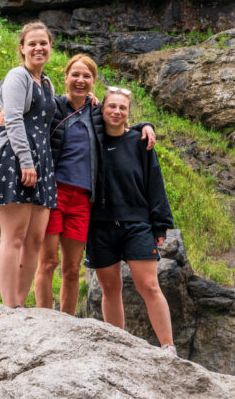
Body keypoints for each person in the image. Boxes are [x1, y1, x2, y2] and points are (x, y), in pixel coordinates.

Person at [28, 55, 155, 314]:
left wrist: (146, 125)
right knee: (49, 261)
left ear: (93, 82)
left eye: (86, 76)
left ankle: (66, 322)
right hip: (53, 194)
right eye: (75, 74)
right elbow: (25, 119)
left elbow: (121, 123)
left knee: (72, 269)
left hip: (83, 199)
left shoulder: (97, 113)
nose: (80, 80)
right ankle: (42, 320)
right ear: (65, 78)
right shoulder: (52, 107)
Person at [0, 22, 58, 308]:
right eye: (32, 43)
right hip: (17, 161)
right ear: (22, 48)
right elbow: (15, 119)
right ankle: (10, 306)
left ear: (50, 47)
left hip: (42, 165)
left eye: (43, 43)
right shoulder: (17, 76)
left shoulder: (46, 83)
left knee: (34, 240)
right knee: (14, 237)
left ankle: (21, 303)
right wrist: (26, 161)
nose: (38, 48)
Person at [87, 87, 176, 354]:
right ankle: (118, 348)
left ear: (128, 113)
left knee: (149, 285)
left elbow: (154, 184)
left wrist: (159, 224)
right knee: (109, 288)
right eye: (111, 106)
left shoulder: (141, 142)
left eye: (122, 108)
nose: (116, 111)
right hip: (99, 225)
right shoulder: (91, 140)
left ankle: (168, 347)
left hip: (137, 224)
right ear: (102, 109)